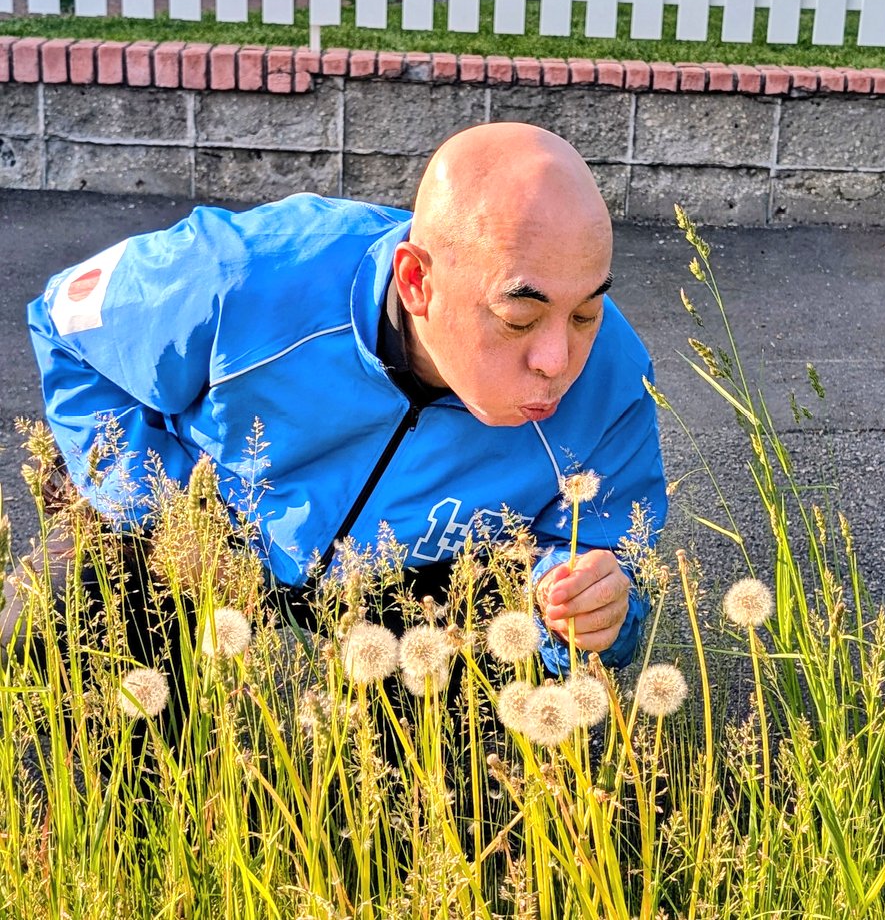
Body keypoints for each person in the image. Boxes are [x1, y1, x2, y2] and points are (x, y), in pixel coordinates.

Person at [16, 122, 666, 673]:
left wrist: (590, 608)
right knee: (61, 614)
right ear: (417, 283)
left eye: (586, 313)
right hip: (219, 515)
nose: (556, 362)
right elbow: (67, 329)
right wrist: (162, 513)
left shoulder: (612, 379)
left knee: (472, 791)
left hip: (414, 573)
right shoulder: (244, 274)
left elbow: (600, 549)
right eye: (519, 320)